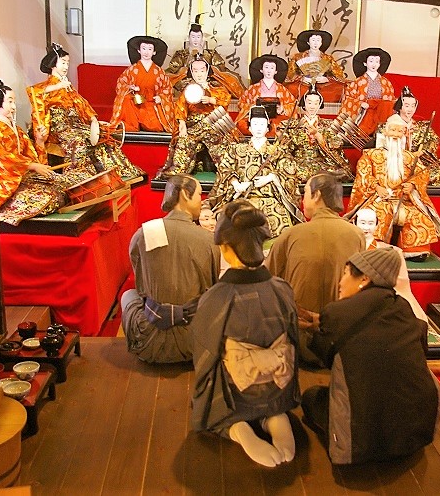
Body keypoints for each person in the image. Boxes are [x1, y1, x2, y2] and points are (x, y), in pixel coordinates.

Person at [301, 247, 440, 465]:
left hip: (361, 442)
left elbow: (322, 356)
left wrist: (320, 327)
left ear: (365, 278)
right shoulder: (403, 306)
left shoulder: (337, 311)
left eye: (345, 273)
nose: (340, 282)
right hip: (418, 430)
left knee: (311, 398)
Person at [191, 200, 299, 468]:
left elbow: (205, 357)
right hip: (277, 386)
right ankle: (274, 417)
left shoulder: (216, 298)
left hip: (235, 394)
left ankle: (237, 428)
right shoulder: (282, 289)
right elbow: (294, 340)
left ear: (226, 249)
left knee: (211, 369)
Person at [266, 173, 365, 365]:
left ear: (317, 195)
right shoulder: (356, 235)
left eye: (304, 193)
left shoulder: (291, 235)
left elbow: (267, 281)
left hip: (297, 341)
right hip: (340, 339)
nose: (302, 200)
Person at [120, 174, 220, 363]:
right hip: (196, 344)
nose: (202, 201)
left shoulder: (143, 233)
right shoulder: (207, 240)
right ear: (185, 194)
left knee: (128, 295)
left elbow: (141, 289)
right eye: (199, 194)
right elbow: (212, 289)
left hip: (147, 341)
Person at [27, 43, 144, 181]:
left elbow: (82, 104)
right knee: (79, 141)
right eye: (63, 63)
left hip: (74, 123)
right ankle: (78, 177)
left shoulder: (67, 86)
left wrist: (93, 119)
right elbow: (33, 92)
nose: (66, 66)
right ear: (53, 65)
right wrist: (56, 87)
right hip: (59, 127)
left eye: (67, 63)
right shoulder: (47, 86)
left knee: (103, 136)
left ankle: (114, 174)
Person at [348, 114, 440, 259]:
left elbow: (422, 175)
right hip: (378, 199)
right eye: (393, 130)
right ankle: (375, 246)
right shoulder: (371, 154)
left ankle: (413, 251)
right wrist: (377, 187)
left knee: (417, 216)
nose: (396, 134)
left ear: (404, 134)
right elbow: (363, 174)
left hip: (403, 199)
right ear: (385, 131)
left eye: (400, 131)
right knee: (378, 214)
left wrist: (412, 185)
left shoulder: (410, 157)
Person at [208, 106, 303, 238]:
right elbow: (225, 168)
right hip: (243, 199)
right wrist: (236, 184)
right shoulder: (236, 149)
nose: (259, 127)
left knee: (281, 222)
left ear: (268, 128)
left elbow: (289, 172)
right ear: (250, 128)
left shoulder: (277, 151)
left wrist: (271, 177)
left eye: (262, 124)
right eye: (255, 124)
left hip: (270, 200)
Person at [0, 79, 75, 225]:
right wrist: (31, 166)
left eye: (13, 101)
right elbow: (2, 158)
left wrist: (40, 141)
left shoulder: (17, 130)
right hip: (7, 183)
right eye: (9, 102)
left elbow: (33, 158)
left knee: (64, 186)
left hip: (24, 178)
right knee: (50, 197)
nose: (13, 106)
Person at [156, 55, 233, 178]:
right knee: (184, 141)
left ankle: (227, 170)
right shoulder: (187, 90)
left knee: (218, 138)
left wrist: (212, 100)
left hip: (214, 122)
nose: (199, 74)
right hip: (193, 124)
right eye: (195, 71)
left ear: (207, 71)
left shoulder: (216, 89)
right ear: (191, 72)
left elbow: (226, 100)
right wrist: (182, 124)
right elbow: (180, 107)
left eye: (202, 70)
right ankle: (178, 169)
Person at [353, 207, 428, 321]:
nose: (366, 227)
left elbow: (400, 282)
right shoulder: (347, 248)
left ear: (377, 225)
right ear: (354, 223)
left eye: (371, 223)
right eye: (362, 223)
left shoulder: (392, 252)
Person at [282, 89, 352, 182]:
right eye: (309, 103)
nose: (312, 106)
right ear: (304, 104)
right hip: (299, 161)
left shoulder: (327, 124)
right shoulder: (292, 125)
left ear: (320, 105)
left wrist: (318, 135)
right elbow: (286, 148)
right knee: (286, 170)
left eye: (316, 103)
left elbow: (335, 145)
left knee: (343, 172)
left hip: (321, 162)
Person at [165, 15, 245, 96]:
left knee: (231, 79)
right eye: (193, 37)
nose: (195, 40)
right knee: (166, 80)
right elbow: (173, 71)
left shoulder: (211, 53)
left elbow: (220, 68)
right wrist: (186, 72)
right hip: (186, 84)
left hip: (208, 83)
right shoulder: (181, 54)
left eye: (198, 37)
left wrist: (208, 72)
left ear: (202, 38)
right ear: (189, 38)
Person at [110, 36, 175, 133]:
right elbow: (121, 83)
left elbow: (167, 88)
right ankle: (130, 124)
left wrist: (161, 97)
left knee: (155, 127)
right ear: (139, 50)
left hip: (151, 104)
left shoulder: (159, 71)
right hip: (135, 103)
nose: (146, 52)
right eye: (144, 48)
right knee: (126, 99)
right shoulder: (132, 69)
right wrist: (129, 87)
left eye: (150, 49)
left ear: (154, 52)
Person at [392, 86, 440, 185]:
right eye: (407, 106)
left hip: (417, 162)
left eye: (413, 106)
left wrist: (420, 152)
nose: (410, 109)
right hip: (395, 162)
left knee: (439, 174)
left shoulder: (421, 127)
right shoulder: (390, 125)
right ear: (399, 107)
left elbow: (432, 142)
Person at [338, 47, 396, 136]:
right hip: (364, 113)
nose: (374, 64)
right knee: (362, 133)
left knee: (382, 132)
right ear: (365, 63)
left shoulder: (386, 83)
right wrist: (359, 103)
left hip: (381, 114)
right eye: (371, 61)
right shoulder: (357, 82)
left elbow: (391, 100)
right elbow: (348, 98)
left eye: (377, 61)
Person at [235, 54, 296, 136]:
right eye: (266, 67)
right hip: (256, 118)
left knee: (280, 127)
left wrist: (282, 109)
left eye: (272, 68)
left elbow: (292, 104)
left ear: (276, 71)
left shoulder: (282, 89)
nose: (269, 70)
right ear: (261, 70)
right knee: (242, 125)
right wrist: (252, 107)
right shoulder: (253, 88)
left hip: (276, 118)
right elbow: (241, 102)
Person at [285, 29, 346, 102]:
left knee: (340, 88)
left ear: (321, 43)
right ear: (308, 42)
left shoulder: (328, 58)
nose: (315, 43)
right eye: (313, 40)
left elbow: (338, 75)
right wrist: (301, 78)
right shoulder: (298, 57)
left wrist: (326, 79)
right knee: (291, 88)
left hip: (322, 84)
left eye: (318, 40)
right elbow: (290, 74)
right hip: (304, 84)